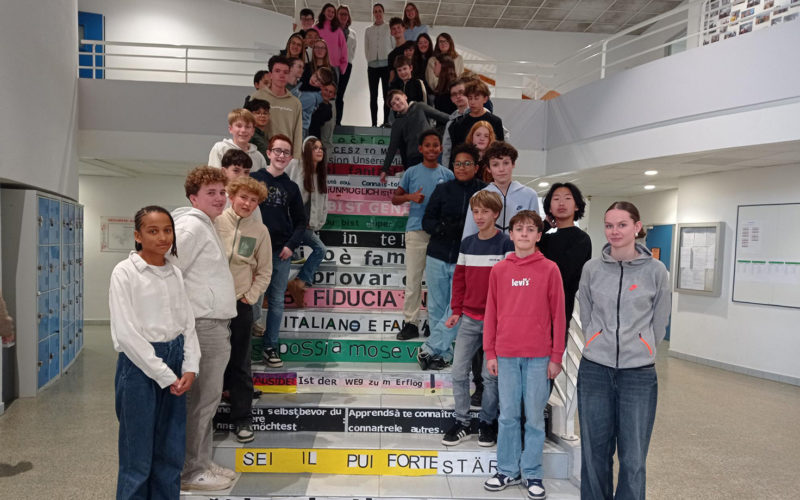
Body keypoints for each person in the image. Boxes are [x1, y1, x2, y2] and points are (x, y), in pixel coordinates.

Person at [577, 201, 671, 500]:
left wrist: (643, 348)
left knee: (633, 459)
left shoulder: (656, 271)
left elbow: (660, 320)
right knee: (594, 453)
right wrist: (595, 340)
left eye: (621, 224)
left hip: (638, 376)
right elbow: (587, 311)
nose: (614, 231)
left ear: (637, 227)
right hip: (595, 370)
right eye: (609, 225)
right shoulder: (592, 268)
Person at [109, 205, 200, 499]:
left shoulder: (174, 272)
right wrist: (164, 374)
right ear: (137, 236)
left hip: (175, 361)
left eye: (167, 230)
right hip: (139, 367)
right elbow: (126, 334)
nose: (162, 237)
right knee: (137, 456)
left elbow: (187, 323)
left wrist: (190, 366)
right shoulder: (125, 273)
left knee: (170, 451)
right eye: (153, 231)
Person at [483, 210, 565, 500]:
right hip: (505, 354)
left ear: (539, 235)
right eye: (520, 229)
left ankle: (531, 472)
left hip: (539, 356)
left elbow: (558, 314)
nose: (525, 234)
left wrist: (557, 356)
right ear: (512, 234)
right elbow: (491, 312)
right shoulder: (500, 270)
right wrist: (489, 351)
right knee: (507, 416)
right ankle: (506, 469)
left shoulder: (550, 269)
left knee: (533, 418)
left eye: (531, 229)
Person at [170, 167, 237, 491]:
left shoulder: (204, 226)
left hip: (212, 323)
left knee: (206, 400)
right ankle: (191, 471)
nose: (220, 198)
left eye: (222, 192)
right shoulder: (191, 227)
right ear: (193, 197)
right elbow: (169, 270)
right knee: (201, 401)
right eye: (211, 192)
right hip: (204, 324)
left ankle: (200, 460)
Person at [441, 189, 512, 448]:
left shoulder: (506, 244)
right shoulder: (467, 244)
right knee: (459, 371)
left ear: (495, 213)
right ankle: (462, 421)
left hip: (496, 322)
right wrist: (456, 310)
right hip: (469, 319)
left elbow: (509, 285)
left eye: (484, 211)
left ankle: (486, 422)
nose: (479, 216)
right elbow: (459, 280)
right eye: (476, 211)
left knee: (490, 376)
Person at [417, 143, 486, 369]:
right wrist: (442, 228)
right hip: (437, 255)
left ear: (476, 167)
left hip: (467, 260)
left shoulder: (485, 192)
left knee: (458, 308)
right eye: (458, 163)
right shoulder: (443, 189)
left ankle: (429, 348)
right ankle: (443, 355)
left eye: (467, 163)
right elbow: (427, 221)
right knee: (437, 308)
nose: (462, 167)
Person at [214, 177, 272, 444]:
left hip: (240, 304)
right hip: (210, 305)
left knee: (240, 363)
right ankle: (207, 417)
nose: (247, 204)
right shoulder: (214, 222)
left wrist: (249, 296)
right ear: (231, 195)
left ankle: (242, 418)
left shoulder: (260, 231)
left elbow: (264, 271)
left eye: (253, 200)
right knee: (209, 363)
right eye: (243, 197)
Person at [391, 130, 454, 340]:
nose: (431, 149)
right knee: (414, 279)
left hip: (440, 235)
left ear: (441, 148)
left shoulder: (448, 175)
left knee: (438, 282)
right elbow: (395, 199)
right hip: (416, 231)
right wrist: (411, 196)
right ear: (420, 149)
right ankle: (411, 322)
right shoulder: (411, 172)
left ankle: (434, 323)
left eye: (435, 145)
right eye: (427, 145)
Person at [250, 135, 306, 369]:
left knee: (276, 301)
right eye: (277, 151)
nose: (281, 155)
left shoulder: (291, 188)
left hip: (280, 252)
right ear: (269, 153)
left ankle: (270, 346)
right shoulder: (253, 180)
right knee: (252, 299)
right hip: (253, 253)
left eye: (286, 152)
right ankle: (245, 346)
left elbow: (301, 223)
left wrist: (290, 246)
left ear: (290, 158)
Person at [539, 183, 592, 343]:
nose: (561, 203)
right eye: (556, 199)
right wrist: (546, 224)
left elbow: (566, 274)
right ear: (549, 207)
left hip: (559, 307)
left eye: (568, 199)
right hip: (533, 307)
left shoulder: (581, 239)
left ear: (576, 206)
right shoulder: (546, 238)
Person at [461, 141, 539, 238]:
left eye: (506, 163)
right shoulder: (477, 197)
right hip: (487, 251)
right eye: (495, 164)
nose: (501, 169)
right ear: (488, 169)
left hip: (519, 252)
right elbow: (469, 234)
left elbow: (535, 233)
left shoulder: (529, 195)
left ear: (513, 164)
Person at [286, 137, 329, 308]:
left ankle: (299, 283)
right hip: (291, 222)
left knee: (320, 249)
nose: (319, 151)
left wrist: (318, 223)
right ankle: (296, 285)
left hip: (305, 225)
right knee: (283, 258)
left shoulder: (321, 174)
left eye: (321, 148)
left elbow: (324, 203)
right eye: (315, 148)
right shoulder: (295, 165)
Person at [379, 90, 450, 184]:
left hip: (433, 153)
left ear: (405, 96)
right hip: (414, 158)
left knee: (437, 184)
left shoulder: (419, 107)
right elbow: (393, 147)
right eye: (393, 104)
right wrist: (385, 169)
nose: (397, 103)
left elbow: (442, 117)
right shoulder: (397, 124)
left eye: (397, 99)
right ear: (393, 109)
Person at [250, 55, 303, 159]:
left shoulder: (295, 103)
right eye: (277, 71)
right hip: (260, 154)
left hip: (285, 157)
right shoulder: (257, 97)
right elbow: (249, 126)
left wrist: (296, 159)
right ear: (271, 74)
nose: (282, 75)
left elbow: (297, 134)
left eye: (285, 72)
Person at [448, 79, 504, 166]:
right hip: (466, 169)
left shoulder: (495, 122)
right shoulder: (459, 124)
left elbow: (500, 151)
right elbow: (455, 153)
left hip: (488, 169)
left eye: (476, 98)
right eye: (470, 98)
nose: (472, 102)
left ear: (485, 99)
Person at [364, 2, 392, 127]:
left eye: (379, 11)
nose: (377, 13)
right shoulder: (368, 30)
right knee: (373, 96)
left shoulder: (389, 27)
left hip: (386, 66)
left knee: (387, 95)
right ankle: (373, 123)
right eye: (375, 11)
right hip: (372, 67)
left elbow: (393, 45)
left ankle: (386, 121)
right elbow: (366, 47)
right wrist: (370, 60)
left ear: (383, 13)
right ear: (373, 14)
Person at [441, 77, 471, 168]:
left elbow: (503, 135)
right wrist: (446, 172)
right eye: (454, 94)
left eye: (461, 92)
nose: (458, 96)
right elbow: (446, 150)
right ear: (451, 99)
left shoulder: (481, 113)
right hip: (457, 169)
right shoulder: (451, 123)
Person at [335, 4, 356, 126]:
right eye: (341, 14)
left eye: (346, 14)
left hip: (347, 65)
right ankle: (330, 120)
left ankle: (338, 122)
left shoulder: (352, 33)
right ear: (337, 16)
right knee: (332, 92)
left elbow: (353, 49)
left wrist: (349, 62)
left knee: (340, 94)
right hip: (334, 64)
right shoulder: (333, 31)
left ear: (348, 17)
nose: (343, 16)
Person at [316, 3, 348, 78]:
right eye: (329, 11)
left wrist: (343, 66)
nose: (331, 13)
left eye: (333, 12)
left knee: (332, 90)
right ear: (324, 12)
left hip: (334, 67)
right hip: (318, 66)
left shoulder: (338, 30)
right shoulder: (316, 28)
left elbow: (344, 48)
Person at [386, 17, 407, 83]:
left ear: (404, 29)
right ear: (391, 32)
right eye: (394, 28)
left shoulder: (412, 47)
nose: (396, 30)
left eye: (398, 27)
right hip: (399, 89)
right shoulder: (391, 55)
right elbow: (392, 76)